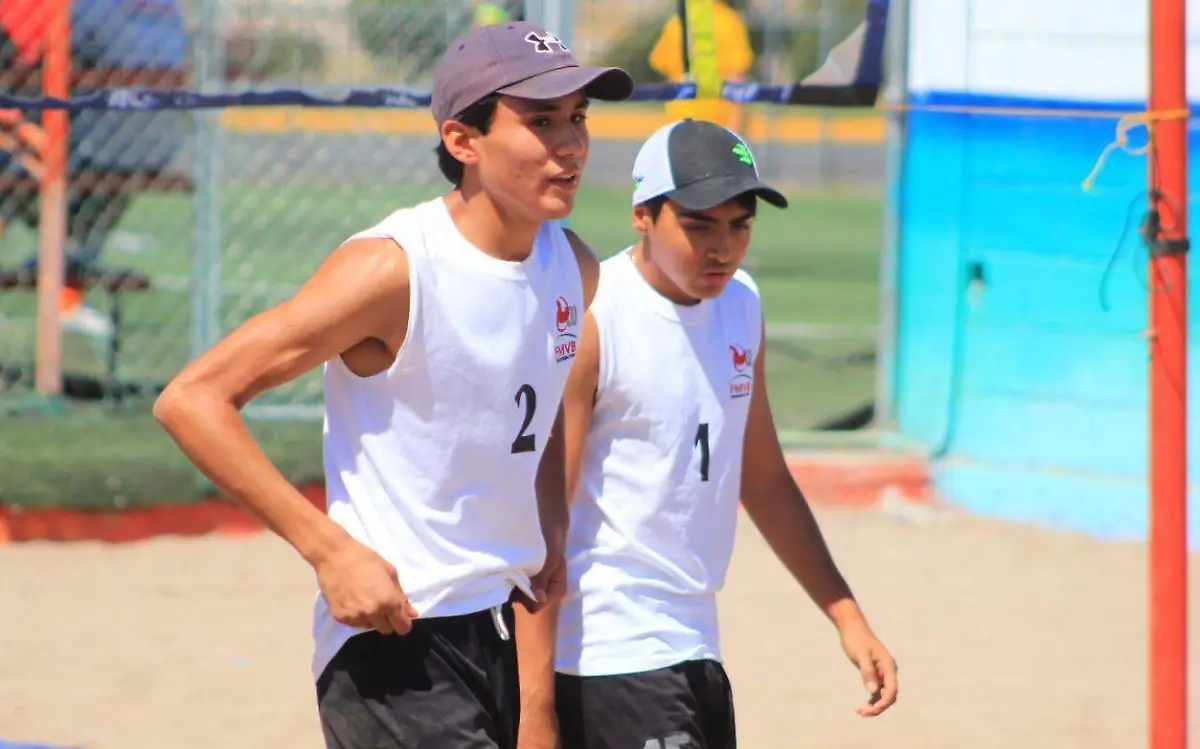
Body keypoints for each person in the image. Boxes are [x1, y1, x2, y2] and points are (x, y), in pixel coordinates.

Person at [153, 21, 633, 749]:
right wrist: (329, 550)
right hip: (394, 637)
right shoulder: (393, 269)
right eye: (540, 122)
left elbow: (537, 401)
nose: (569, 144)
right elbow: (192, 399)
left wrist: (549, 521)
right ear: (462, 140)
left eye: (577, 119)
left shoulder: (572, 266)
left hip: (498, 625)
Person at [515, 119, 899, 749]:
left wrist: (845, 614)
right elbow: (541, 522)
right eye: (698, 225)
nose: (722, 247)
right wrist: (534, 709)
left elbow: (765, 478)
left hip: (696, 644)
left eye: (739, 224)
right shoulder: (596, 315)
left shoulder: (742, 304)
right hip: (607, 649)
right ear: (643, 214)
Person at [647, 0, 755, 131]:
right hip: (717, 121)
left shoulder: (677, 23)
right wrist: (737, 124)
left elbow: (667, 73)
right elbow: (736, 77)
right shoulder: (728, 22)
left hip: (680, 120)